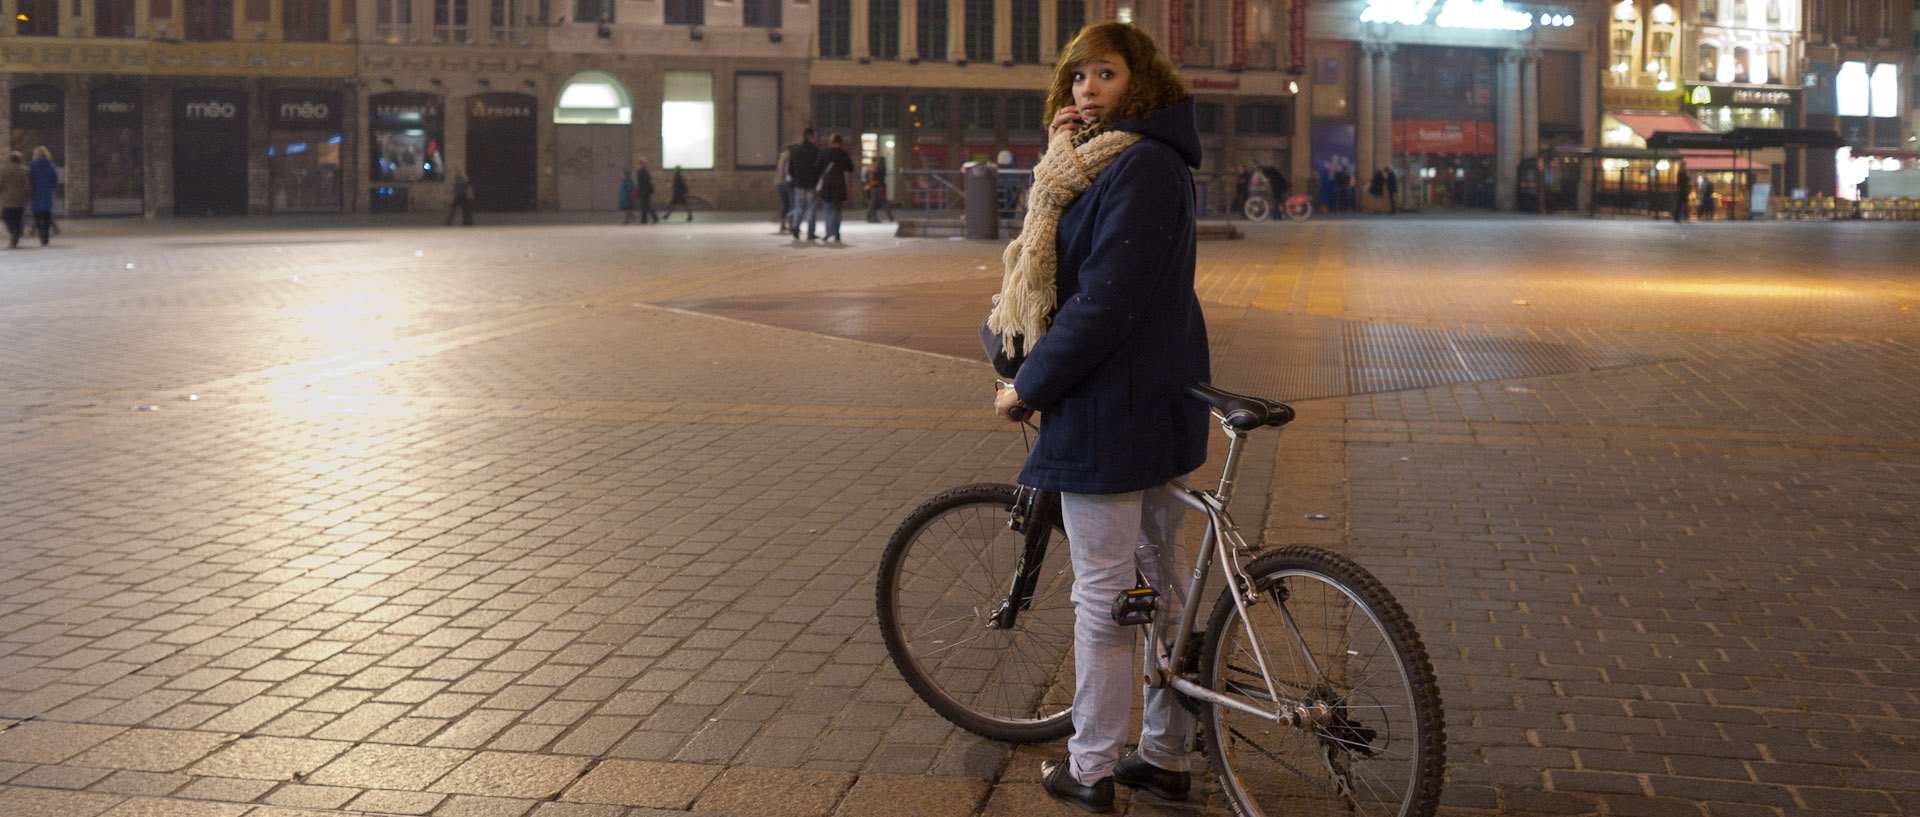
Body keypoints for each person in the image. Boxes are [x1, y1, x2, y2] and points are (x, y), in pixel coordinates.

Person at [984, 21, 1209, 814]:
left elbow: (1102, 301)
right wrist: (1053, 163)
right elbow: (1047, 269)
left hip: (1115, 409)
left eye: (1104, 75)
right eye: (1078, 77)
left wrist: (1031, 385)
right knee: (1155, 585)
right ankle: (1164, 752)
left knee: (1110, 592)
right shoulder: (1100, 165)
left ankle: (1091, 766)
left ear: (1139, 83)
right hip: (1140, 401)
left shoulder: (1143, 165)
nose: (1086, 90)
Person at [814, 134, 857, 243]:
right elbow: (850, 168)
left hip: (827, 184)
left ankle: (829, 232)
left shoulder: (825, 152)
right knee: (837, 210)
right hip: (839, 184)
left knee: (827, 209)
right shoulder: (843, 154)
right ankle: (836, 233)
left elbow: (817, 167)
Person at [786, 129, 824, 239]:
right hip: (811, 184)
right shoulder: (816, 151)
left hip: (799, 184)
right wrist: (816, 180)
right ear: (810, 137)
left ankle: (795, 226)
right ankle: (810, 233)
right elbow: (819, 168)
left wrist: (796, 179)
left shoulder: (795, 151)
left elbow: (790, 169)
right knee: (811, 209)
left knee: (799, 207)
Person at [28, 146, 58, 245]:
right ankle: (45, 236)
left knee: (37, 215)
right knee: (46, 215)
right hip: (47, 194)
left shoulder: (32, 166)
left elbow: (29, 180)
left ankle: (41, 234)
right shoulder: (51, 166)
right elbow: (54, 181)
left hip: (35, 194)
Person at [0, 151, 28, 249]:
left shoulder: (4, 170)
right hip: (20, 200)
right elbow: (28, 186)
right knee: (18, 219)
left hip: (7, 200)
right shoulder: (24, 170)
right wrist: (27, 195)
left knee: (7, 218)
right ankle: (15, 235)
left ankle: (13, 232)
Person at [864, 155, 896, 223]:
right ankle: (889, 217)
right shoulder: (879, 168)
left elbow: (866, 177)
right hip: (878, 187)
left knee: (875, 203)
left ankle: (872, 217)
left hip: (872, 187)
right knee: (878, 203)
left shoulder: (871, 168)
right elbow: (881, 178)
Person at [775, 146, 794, 230]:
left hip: (780, 183)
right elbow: (784, 170)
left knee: (786, 204)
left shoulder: (782, 157)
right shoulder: (786, 157)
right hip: (784, 183)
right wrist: (785, 180)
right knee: (789, 204)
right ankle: (789, 224)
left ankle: (784, 223)